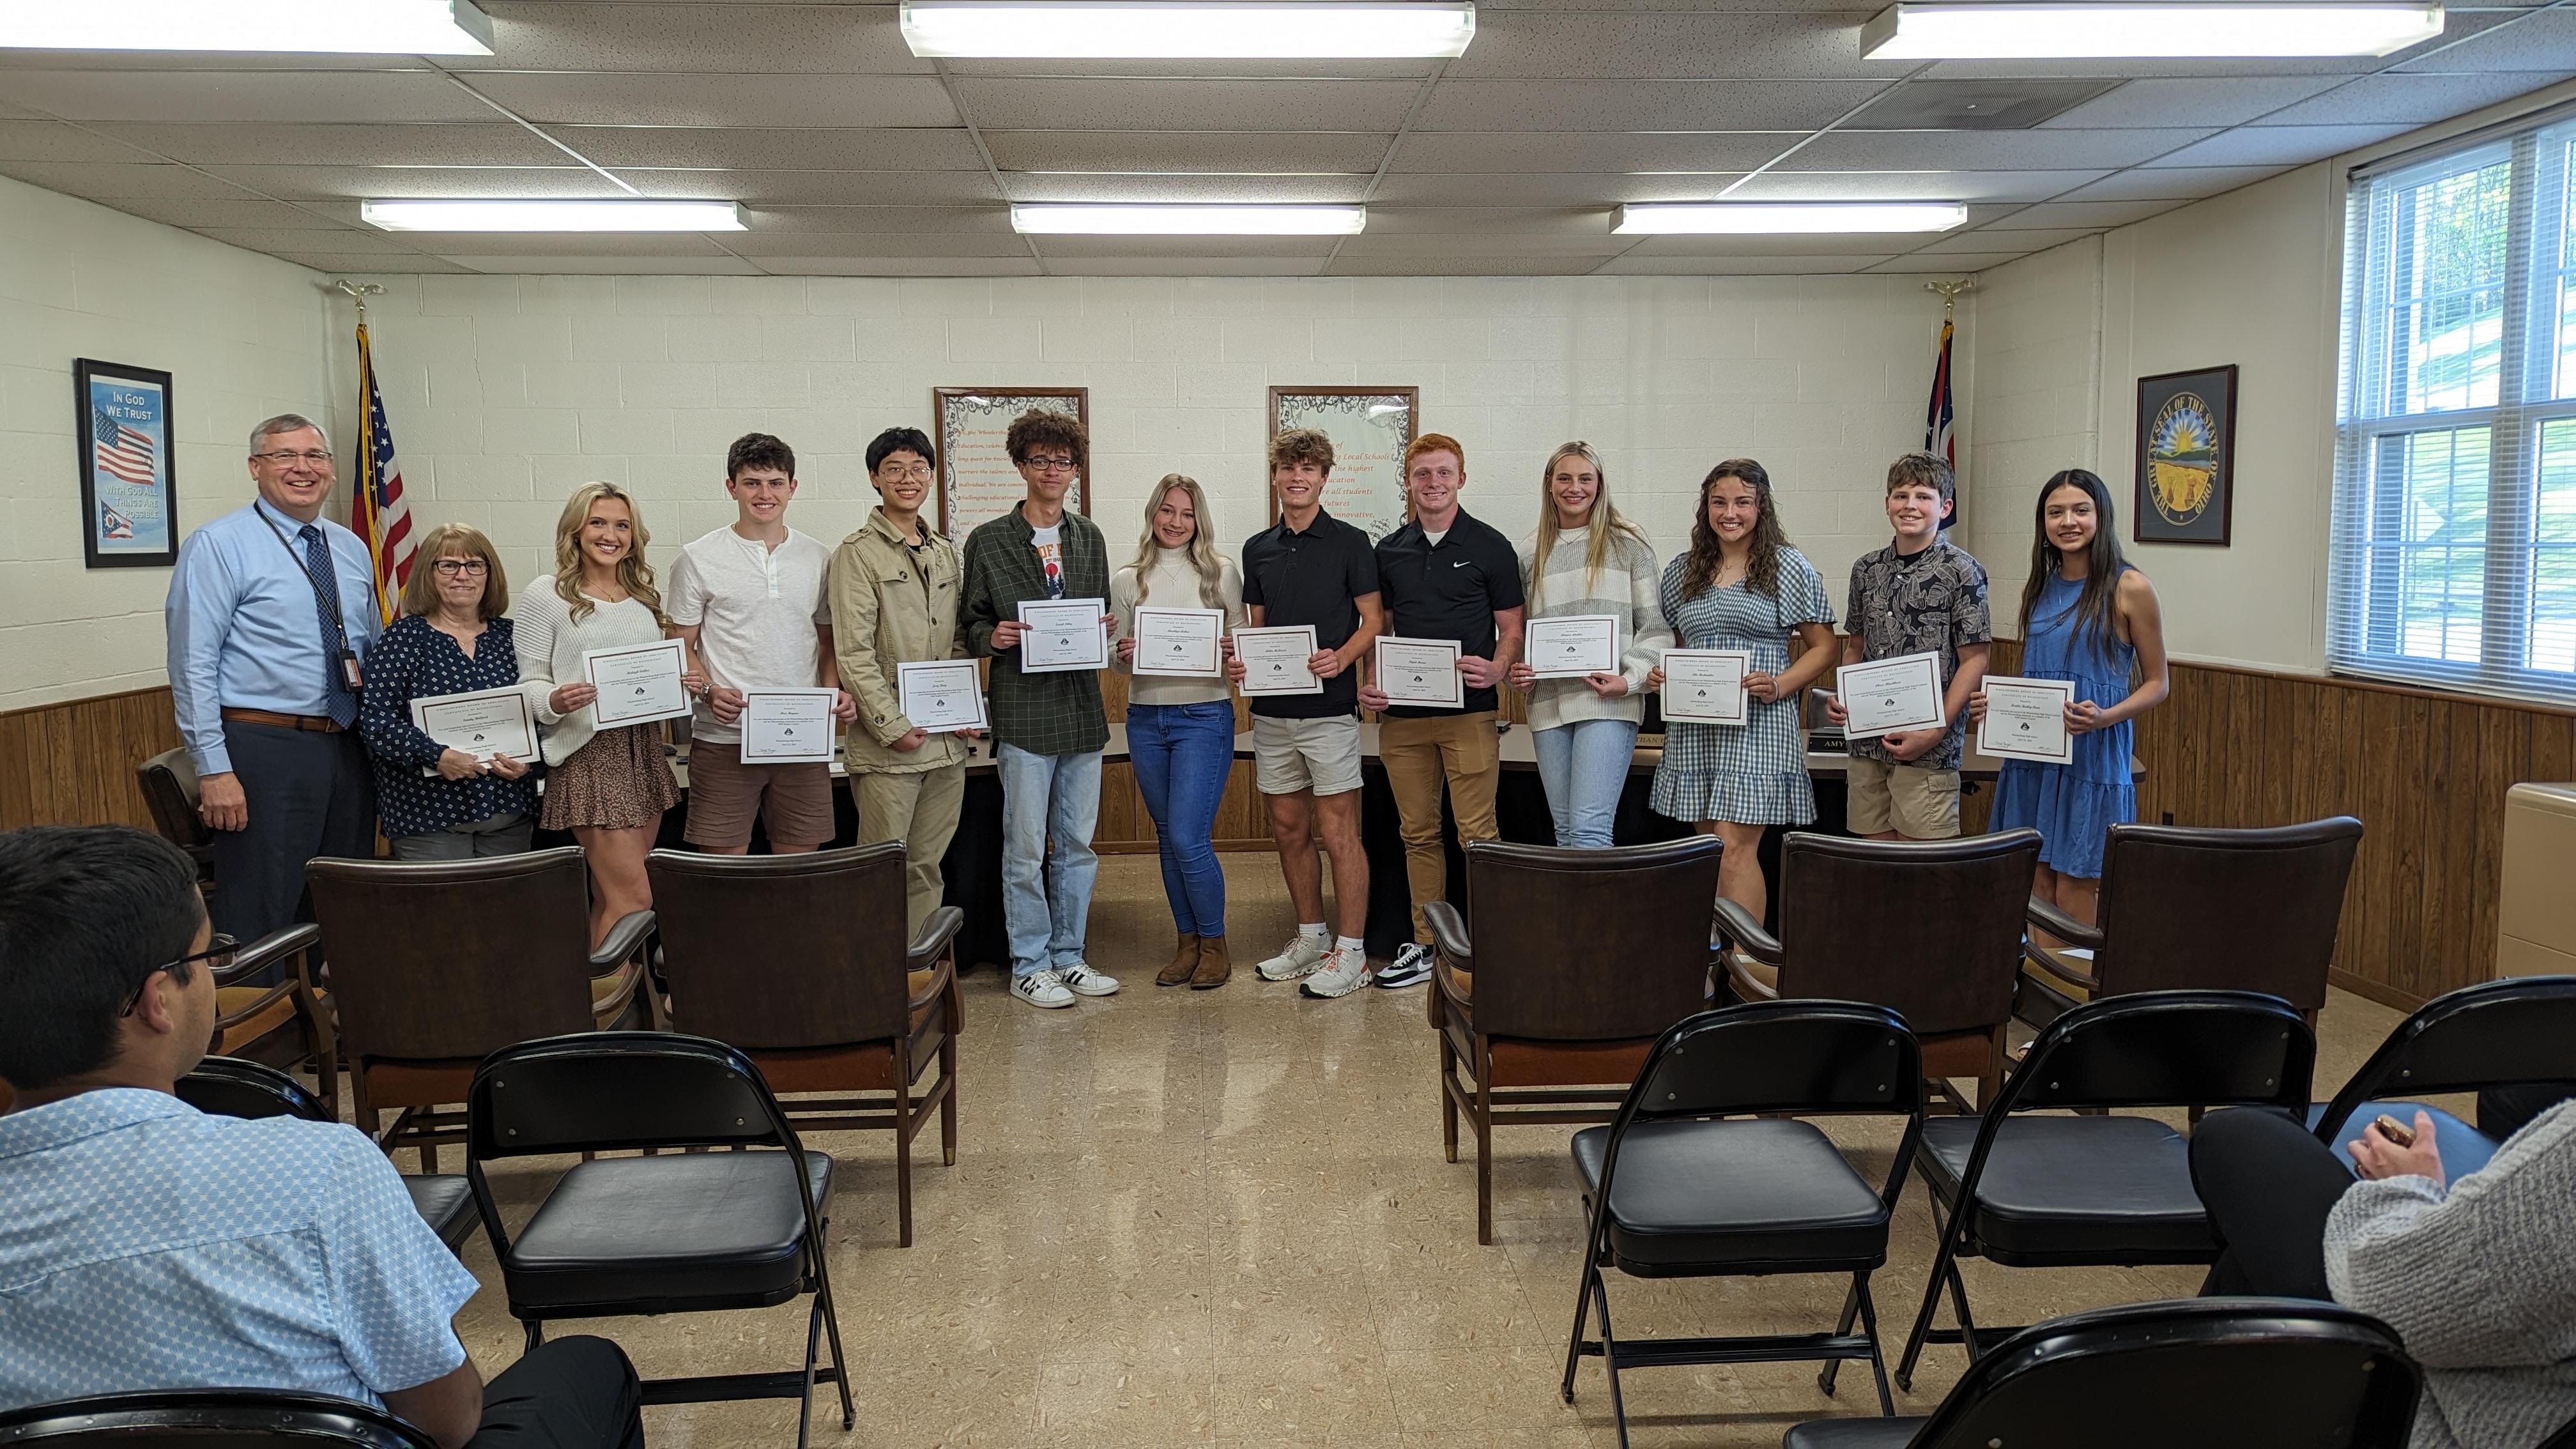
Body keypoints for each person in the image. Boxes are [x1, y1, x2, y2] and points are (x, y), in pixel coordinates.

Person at [0, 824, 646, 1449]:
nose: (215, 974)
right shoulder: (314, 1169)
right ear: (156, 1000)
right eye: (206, 955)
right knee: (589, 1370)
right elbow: (448, 1420)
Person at [2188, 1104, 2576, 1449]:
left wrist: (2405, 1189)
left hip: (2435, 1412)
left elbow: (2395, 1301)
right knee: (2255, 1245)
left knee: (2239, 1137)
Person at [164, 414, 381, 963]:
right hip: (264, 748)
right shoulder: (218, 545)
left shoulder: (351, 547)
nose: (303, 468)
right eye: (286, 456)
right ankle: (250, 1034)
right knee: (261, 909)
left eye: (316, 456)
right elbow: (192, 663)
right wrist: (213, 769)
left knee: (339, 901)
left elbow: (372, 649)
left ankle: (323, 1036)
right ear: (255, 467)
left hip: (347, 743)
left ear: (331, 470)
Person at [962, 409, 1121, 1010]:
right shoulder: (989, 540)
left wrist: (1101, 628)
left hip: (1081, 709)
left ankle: (1069, 955)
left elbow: (1096, 615)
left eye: (1062, 460)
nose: (1052, 470)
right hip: (1024, 712)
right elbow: (970, 621)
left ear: (1075, 469)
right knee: (1025, 848)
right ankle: (1030, 963)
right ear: (1021, 466)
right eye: (1040, 460)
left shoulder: (1090, 536)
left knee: (1077, 845)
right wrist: (991, 638)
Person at [1358, 433, 1524, 997]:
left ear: (1461, 478)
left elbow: (1512, 628)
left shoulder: (1491, 546)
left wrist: (1500, 668)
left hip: (1470, 713)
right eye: (1422, 474)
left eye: (1444, 473)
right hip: (1402, 720)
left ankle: (1489, 943)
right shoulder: (1390, 550)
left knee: (1478, 833)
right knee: (1418, 833)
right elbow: (1378, 628)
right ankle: (1426, 944)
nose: (1433, 483)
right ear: (1408, 481)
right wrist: (1372, 682)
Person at [1972, 468, 2169, 931]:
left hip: (2093, 757)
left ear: (2101, 516)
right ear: (2043, 523)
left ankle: (2076, 999)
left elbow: (2158, 683)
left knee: (2077, 883)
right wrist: (1993, 708)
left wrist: (2105, 718)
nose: (2068, 521)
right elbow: (2038, 676)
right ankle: (2042, 996)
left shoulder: (2130, 586)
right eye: (2055, 512)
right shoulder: (2039, 586)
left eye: (2081, 510)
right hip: (2034, 757)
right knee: (2035, 880)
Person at [1644, 459, 1837, 924]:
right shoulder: (1683, 570)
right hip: (1697, 727)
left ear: (1761, 508)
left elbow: (1825, 647)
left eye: (1743, 503)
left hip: (1759, 723)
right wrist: (1661, 676)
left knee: (1734, 850)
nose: (1730, 513)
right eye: (1719, 502)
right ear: (1705, 508)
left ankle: (1746, 967)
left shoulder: (1787, 566)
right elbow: (1673, 644)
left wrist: (1780, 685)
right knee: (1711, 850)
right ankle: (1714, 957)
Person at [516, 482, 700, 948]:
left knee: (613, 896)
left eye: (622, 525)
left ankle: (611, 1003)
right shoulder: (547, 593)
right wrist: (554, 701)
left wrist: (681, 683)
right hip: (590, 754)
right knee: (636, 898)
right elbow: (531, 681)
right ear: (576, 529)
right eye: (598, 522)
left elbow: (650, 674)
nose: (611, 535)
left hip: (642, 750)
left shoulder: (640, 595)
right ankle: (601, 1011)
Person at [1234, 428, 1380, 997]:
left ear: (1324, 477)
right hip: (1272, 714)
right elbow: (1260, 627)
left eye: (1309, 469)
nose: (1298, 478)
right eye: (1288, 469)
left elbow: (1373, 622)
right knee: (1289, 827)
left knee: (1339, 830)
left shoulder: (1351, 542)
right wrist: (1246, 660)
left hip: (1330, 711)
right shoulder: (1258, 547)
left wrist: (1340, 658)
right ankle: (1312, 937)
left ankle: (1352, 952)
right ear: (1275, 477)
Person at [665, 433, 857, 857]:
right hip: (725, 738)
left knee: (797, 873)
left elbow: (827, 643)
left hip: (802, 740)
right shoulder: (698, 557)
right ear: (731, 486)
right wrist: (709, 691)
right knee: (724, 878)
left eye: (775, 482)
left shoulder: (818, 557)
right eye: (752, 482)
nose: (764, 494)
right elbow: (680, 645)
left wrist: (832, 693)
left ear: (793, 487)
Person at [831, 426, 974, 934]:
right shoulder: (857, 554)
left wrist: (962, 714)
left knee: (925, 868)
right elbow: (853, 652)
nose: (908, 479)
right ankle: (875, 982)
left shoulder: (944, 551)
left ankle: (918, 971)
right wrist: (892, 725)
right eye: (894, 469)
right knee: (880, 871)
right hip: (890, 749)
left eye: (918, 469)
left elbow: (956, 640)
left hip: (945, 747)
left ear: (932, 476)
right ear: (875, 478)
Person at [1112, 474, 1248, 990]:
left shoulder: (1220, 572)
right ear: (1153, 514)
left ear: (1200, 520)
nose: (1175, 522)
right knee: (1168, 838)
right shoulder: (1129, 578)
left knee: (1190, 837)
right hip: (1146, 719)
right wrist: (1122, 655)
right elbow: (1115, 658)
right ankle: (1186, 942)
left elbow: (1240, 641)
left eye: (1186, 514)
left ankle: (1216, 943)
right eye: (1167, 511)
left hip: (1204, 717)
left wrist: (1230, 652)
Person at [1506, 441, 1670, 851]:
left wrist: (1628, 681)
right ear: (1549, 484)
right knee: (1565, 832)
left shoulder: (1629, 542)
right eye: (1564, 478)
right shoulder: (1528, 552)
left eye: (1585, 478)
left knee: (1589, 831)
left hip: (1608, 703)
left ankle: (1597, 919)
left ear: (1599, 485)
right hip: (1547, 707)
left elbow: (1654, 628)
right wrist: (1518, 673)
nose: (1574, 488)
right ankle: (1573, 919)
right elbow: (1515, 635)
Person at [1823, 452, 1992, 841]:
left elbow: (1976, 659)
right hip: (1867, 743)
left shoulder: (1961, 570)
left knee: (1919, 863)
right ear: (1887, 505)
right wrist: (1841, 693)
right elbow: (1856, 645)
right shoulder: (1866, 569)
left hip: (1929, 746)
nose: (1910, 505)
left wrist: (1935, 729)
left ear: (1945, 506)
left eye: (1923, 496)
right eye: (1900, 496)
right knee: (1872, 858)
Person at [355, 523, 538, 861]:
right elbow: (376, 722)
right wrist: (436, 756)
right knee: (446, 913)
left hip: (507, 810)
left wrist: (529, 763)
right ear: (429, 573)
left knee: (508, 912)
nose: (462, 576)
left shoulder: (513, 637)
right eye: (449, 565)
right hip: (429, 815)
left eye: (474, 565)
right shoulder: (402, 639)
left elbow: (539, 709)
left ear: (489, 574)